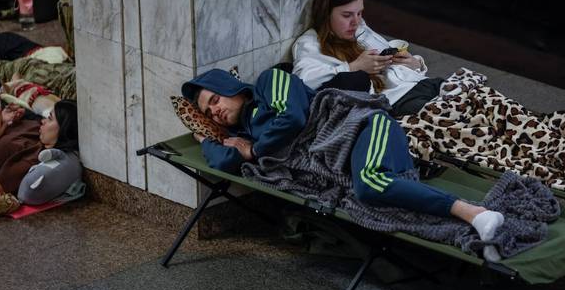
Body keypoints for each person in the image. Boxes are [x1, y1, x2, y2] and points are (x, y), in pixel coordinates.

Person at [181, 68, 505, 262]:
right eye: (209, 114)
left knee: (369, 184)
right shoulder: (244, 134)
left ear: (231, 87)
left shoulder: (269, 82)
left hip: (365, 126)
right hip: (344, 161)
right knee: (374, 198)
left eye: (215, 100)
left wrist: (256, 150)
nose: (215, 112)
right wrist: (206, 140)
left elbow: (292, 117)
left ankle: (473, 213)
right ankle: (475, 231)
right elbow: (225, 162)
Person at [292, 0, 442, 116]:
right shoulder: (310, 43)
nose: (356, 22)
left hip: (421, 83)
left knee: (462, 87)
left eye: (359, 13)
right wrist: (353, 67)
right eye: (347, 15)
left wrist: (415, 63)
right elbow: (302, 81)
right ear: (326, 13)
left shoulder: (359, 29)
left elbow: (387, 57)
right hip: (400, 99)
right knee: (453, 114)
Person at [0, 99, 81, 204]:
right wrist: (5, 121)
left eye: (50, 118)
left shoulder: (31, 160)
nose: (43, 121)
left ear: (64, 131)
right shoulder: (40, 132)